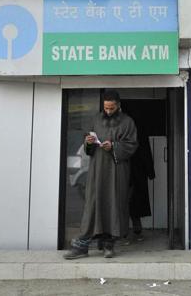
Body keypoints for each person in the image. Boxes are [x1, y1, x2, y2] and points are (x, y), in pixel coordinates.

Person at [64, 90, 138, 259]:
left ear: (118, 105)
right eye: (106, 108)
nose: (109, 111)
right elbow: (88, 146)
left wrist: (114, 147)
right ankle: (82, 246)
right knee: (92, 205)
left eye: (112, 108)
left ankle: (108, 244)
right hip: (97, 169)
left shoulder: (128, 122)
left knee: (113, 204)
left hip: (117, 170)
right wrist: (88, 142)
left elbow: (132, 145)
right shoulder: (96, 119)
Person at [128, 127, 155, 241]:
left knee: (128, 200)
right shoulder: (140, 132)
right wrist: (150, 173)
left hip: (127, 169)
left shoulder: (121, 131)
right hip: (137, 170)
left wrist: (150, 172)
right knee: (135, 200)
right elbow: (146, 153)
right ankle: (136, 228)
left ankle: (129, 229)